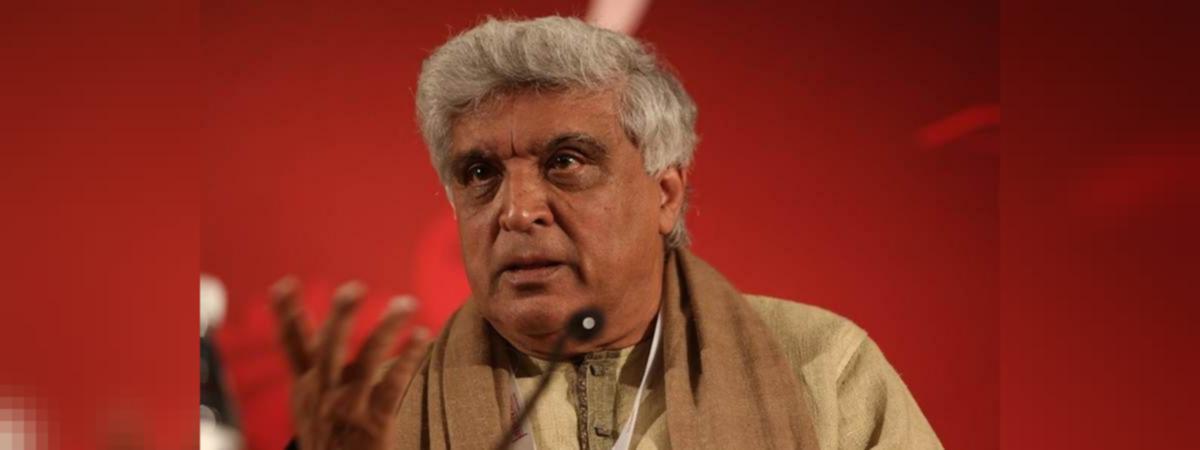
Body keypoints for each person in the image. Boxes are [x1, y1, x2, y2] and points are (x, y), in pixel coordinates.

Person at [271, 16, 942, 450]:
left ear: (664, 194)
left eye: (566, 162)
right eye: (480, 173)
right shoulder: (376, 414)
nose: (517, 210)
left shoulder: (820, 367)